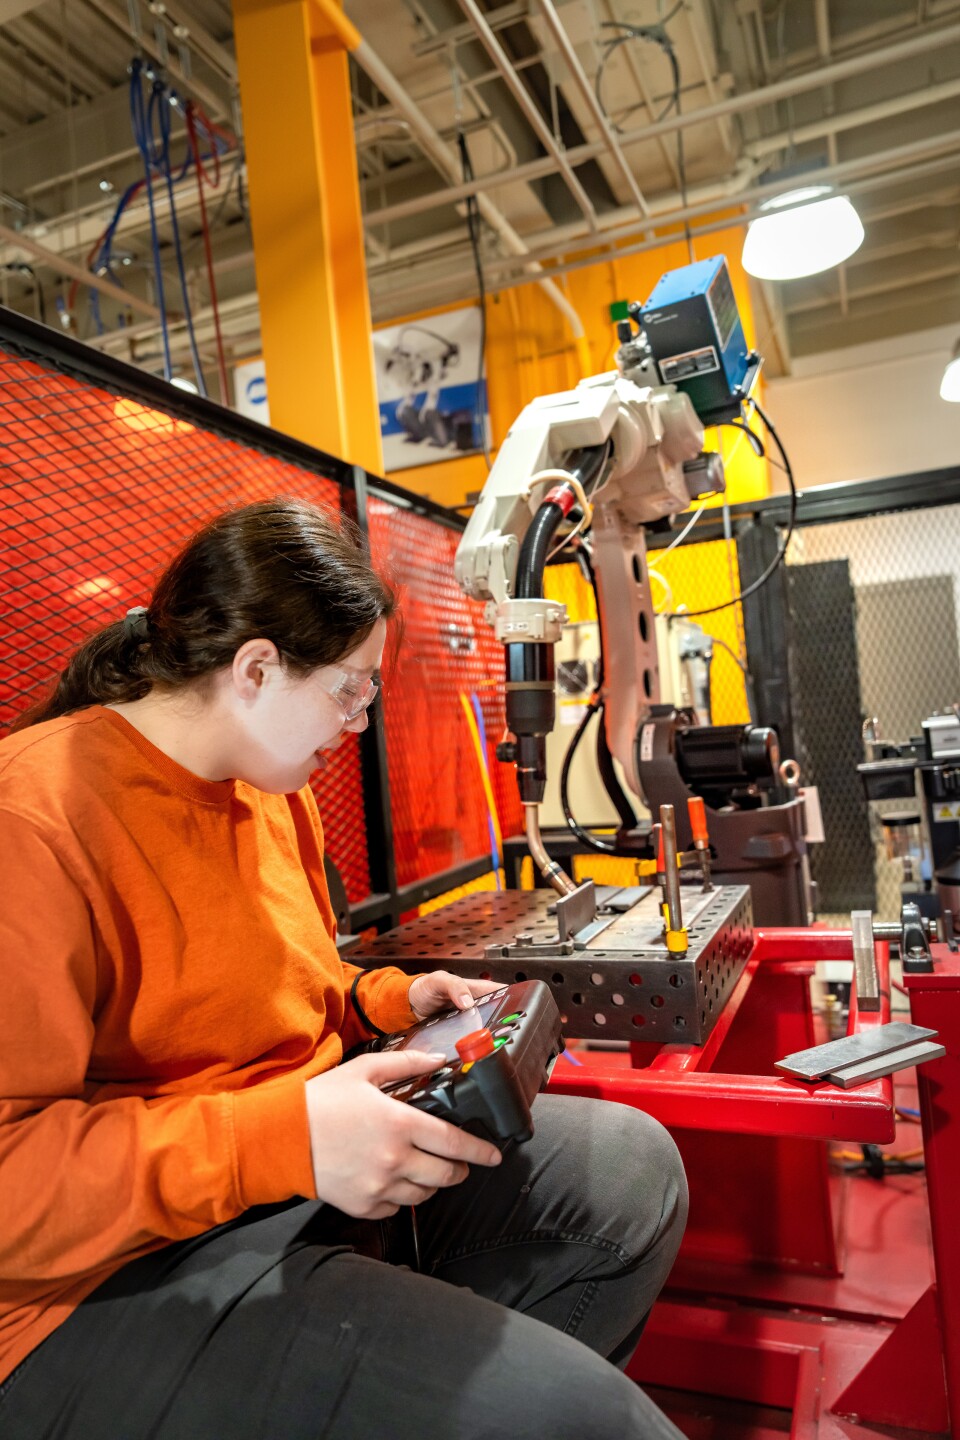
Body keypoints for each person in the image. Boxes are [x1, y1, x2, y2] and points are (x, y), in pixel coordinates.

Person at [0, 497, 688, 1439]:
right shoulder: (31, 822)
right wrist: (281, 1140)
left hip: (288, 1176)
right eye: (350, 692)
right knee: (582, 1420)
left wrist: (394, 999)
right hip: (103, 1278)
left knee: (632, 1175)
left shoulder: (267, 784)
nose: (359, 725)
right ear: (255, 669)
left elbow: (291, 983)